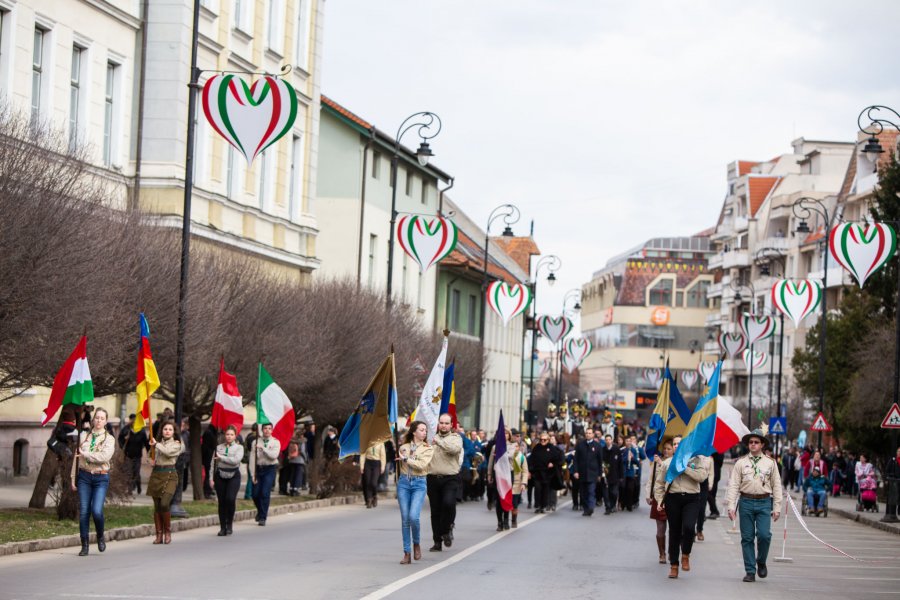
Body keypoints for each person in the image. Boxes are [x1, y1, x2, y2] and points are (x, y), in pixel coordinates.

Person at [725, 428, 783, 583]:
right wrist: (731, 506)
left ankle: (761, 560)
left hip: (764, 502)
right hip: (746, 502)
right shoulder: (741, 463)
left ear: (762, 444)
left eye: (756, 442)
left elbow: (777, 485)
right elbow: (734, 485)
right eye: (751, 442)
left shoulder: (770, 463)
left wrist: (777, 507)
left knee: (764, 535)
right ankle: (750, 570)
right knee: (747, 538)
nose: (753, 445)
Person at [653, 447, 709, 579]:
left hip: (692, 498)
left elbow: (702, 477)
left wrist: (685, 468)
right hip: (673, 498)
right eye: (675, 444)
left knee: (689, 527)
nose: (677, 446)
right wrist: (660, 500)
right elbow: (659, 484)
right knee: (674, 532)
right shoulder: (667, 463)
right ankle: (674, 565)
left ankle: (685, 554)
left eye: (680, 443)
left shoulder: (696, 460)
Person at [73, 408, 116, 556]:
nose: (98, 421)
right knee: (84, 511)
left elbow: (104, 457)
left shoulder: (109, 439)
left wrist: (87, 454)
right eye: (97, 418)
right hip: (84, 477)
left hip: (100, 477)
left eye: (102, 418)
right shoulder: (84, 436)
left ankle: (100, 535)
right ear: (93, 420)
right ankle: (84, 544)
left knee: (97, 511)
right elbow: (76, 457)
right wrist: (73, 478)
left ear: (106, 421)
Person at [396, 421, 434, 564]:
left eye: (425, 430)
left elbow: (422, 465)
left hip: (419, 482)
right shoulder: (403, 447)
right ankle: (407, 552)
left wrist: (406, 459)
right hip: (404, 483)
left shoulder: (428, 448)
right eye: (421, 430)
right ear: (414, 432)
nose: (424, 432)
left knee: (413, 516)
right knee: (405, 518)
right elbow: (399, 464)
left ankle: (416, 543)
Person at [427, 414, 463, 552]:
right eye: (441, 422)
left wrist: (439, 442)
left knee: (448, 504)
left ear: (451, 425)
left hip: (450, 478)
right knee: (435, 511)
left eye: (446, 423)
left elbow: (454, 450)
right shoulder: (431, 438)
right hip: (433, 477)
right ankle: (437, 541)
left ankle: (447, 529)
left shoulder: (456, 438)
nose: (443, 425)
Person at [147, 420, 183, 544]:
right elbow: (149, 455)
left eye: (170, 429)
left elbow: (167, 452)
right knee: (157, 506)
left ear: (173, 432)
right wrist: (150, 460)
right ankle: (159, 535)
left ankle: (167, 532)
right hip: (156, 474)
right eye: (165, 429)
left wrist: (156, 444)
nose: (167, 431)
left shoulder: (176, 444)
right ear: (161, 431)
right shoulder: (156, 444)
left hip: (170, 475)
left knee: (164, 504)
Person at [646, 439, 675, 564]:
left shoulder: (676, 462)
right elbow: (651, 479)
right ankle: (662, 553)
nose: (666, 451)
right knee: (660, 528)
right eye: (665, 448)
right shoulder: (656, 461)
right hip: (659, 498)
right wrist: (648, 494)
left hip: (673, 497)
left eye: (669, 448)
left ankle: (672, 552)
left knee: (674, 529)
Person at [214, 424, 244, 536]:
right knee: (221, 502)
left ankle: (229, 523)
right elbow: (213, 463)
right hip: (220, 474)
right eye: (227, 434)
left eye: (231, 434)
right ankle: (222, 527)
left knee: (230, 499)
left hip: (234, 475)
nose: (229, 436)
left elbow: (236, 460)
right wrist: (210, 478)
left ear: (235, 436)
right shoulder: (218, 447)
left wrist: (222, 458)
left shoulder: (239, 448)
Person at [249, 423, 281, 526]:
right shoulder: (255, 442)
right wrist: (252, 474)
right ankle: (260, 510)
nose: (267, 430)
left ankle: (263, 517)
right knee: (255, 493)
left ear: (272, 430)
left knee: (264, 493)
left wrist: (264, 448)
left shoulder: (276, 442)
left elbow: (274, 456)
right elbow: (252, 459)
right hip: (258, 468)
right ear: (262, 430)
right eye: (265, 428)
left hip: (270, 468)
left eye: (269, 428)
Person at [530, 432, 562, 514]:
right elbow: (531, 459)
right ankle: (537, 506)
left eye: (544, 440)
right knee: (537, 489)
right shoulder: (537, 447)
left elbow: (558, 459)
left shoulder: (552, 448)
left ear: (548, 440)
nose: (543, 441)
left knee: (545, 490)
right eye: (541, 439)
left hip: (548, 473)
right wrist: (530, 471)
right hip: (537, 473)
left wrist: (553, 463)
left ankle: (543, 506)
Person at [117, 414, 149, 494]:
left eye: (135, 420)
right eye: (132, 420)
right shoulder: (126, 429)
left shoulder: (141, 430)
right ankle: (130, 489)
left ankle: (138, 486)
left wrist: (149, 451)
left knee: (136, 472)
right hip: (128, 454)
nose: (134, 421)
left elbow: (145, 442)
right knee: (129, 472)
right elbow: (120, 439)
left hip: (137, 455)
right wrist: (124, 441)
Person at [574, 428, 602, 516]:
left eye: (590, 433)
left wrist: (600, 474)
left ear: (593, 435)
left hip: (593, 473)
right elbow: (576, 459)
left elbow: (600, 461)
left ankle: (591, 507)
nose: (588, 435)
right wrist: (576, 471)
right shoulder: (580, 445)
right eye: (586, 433)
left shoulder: (597, 446)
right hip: (582, 473)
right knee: (583, 493)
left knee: (591, 491)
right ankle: (586, 509)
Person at [621, 435, 645, 511]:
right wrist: (626, 458)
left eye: (629, 441)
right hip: (624, 472)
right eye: (627, 441)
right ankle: (623, 504)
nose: (628, 442)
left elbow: (637, 462)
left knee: (630, 489)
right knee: (623, 488)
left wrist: (632, 458)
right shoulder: (622, 450)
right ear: (625, 442)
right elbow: (620, 461)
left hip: (631, 472)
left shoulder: (634, 450)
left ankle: (629, 505)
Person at [360, 441, 386, 508]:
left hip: (377, 463)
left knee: (373, 483)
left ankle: (374, 496)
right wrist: (362, 466)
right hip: (368, 463)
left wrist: (383, 466)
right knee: (367, 482)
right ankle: (369, 500)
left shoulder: (381, 443)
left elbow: (383, 456)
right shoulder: (366, 442)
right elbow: (363, 454)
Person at [600, 434, 621, 515]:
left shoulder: (616, 449)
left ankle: (612, 505)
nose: (608, 441)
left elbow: (620, 463)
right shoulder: (603, 449)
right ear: (605, 441)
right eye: (606, 440)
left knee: (614, 492)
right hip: (605, 474)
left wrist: (621, 475)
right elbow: (601, 461)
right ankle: (607, 507)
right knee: (605, 493)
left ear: (612, 440)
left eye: (609, 439)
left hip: (615, 475)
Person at [695, 455, 714, 541]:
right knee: (693, 508)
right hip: (694, 482)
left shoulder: (709, 458)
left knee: (702, 508)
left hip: (704, 484)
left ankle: (699, 530)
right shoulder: (693, 456)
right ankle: (691, 532)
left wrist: (710, 484)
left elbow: (711, 473)